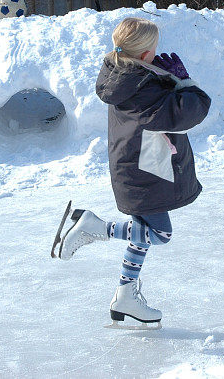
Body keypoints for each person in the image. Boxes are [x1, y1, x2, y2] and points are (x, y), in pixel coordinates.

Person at [53, 17, 211, 328]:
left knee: (143, 234)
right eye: (154, 49)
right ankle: (93, 227)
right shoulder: (142, 89)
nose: (157, 53)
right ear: (142, 55)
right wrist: (184, 82)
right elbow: (190, 109)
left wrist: (165, 78)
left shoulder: (125, 74)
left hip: (144, 163)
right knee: (160, 233)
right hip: (143, 171)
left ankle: (125, 295)